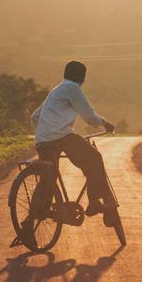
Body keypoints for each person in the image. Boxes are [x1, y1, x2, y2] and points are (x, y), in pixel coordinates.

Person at [31, 61, 118, 226]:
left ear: (65, 73)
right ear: (82, 78)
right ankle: (93, 201)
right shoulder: (73, 88)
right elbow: (88, 115)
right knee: (94, 159)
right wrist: (105, 123)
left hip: (43, 139)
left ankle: (34, 216)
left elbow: (34, 117)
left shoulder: (55, 91)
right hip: (62, 136)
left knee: (49, 176)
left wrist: (45, 131)